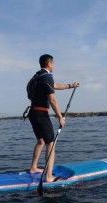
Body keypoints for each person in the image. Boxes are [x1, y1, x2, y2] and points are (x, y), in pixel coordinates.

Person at [28, 54, 79, 182]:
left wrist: (70, 85)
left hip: (33, 113)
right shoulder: (47, 77)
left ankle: (33, 168)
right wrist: (60, 117)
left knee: (41, 141)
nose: (54, 65)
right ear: (49, 64)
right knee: (51, 144)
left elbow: (54, 85)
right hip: (41, 115)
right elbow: (52, 99)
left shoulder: (37, 77)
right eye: (54, 63)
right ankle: (49, 176)